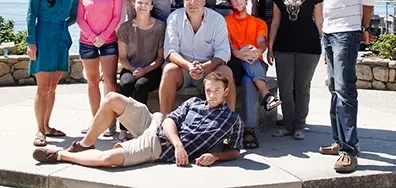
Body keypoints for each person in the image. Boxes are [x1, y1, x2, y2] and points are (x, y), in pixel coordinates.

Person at [33, 72, 244, 169]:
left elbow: (235, 150)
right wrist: (179, 144)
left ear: (226, 92)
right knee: (112, 98)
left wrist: (215, 156)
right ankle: (84, 145)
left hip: (159, 146)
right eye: (208, 90)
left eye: (217, 90)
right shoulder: (194, 103)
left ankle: (59, 156)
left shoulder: (232, 120)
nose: (212, 94)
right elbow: (170, 121)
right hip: (156, 125)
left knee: (108, 160)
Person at [310, 0, 375, 173]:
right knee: (334, 89)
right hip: (330, 33)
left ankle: (350, 150)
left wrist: (364, 27)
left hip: (347, 32)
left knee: (345, 89)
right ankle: (338, 142)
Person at [26, 0, 78, 147]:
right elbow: (31, 16)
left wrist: (64, 24)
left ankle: (48, 126)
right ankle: (39, 130)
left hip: (61, 38)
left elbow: (75, 13)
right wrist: (31, 42)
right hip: (43, 37)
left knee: (53, 87)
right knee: (43, 87)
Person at [268, 0, 323, 141]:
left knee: (302, 86)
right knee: (285, 87)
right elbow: (275, 23)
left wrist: (326, 45)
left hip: (309, 48)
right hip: (283, 47)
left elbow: (320, 22)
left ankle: (300, 124)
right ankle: (288, 125)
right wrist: (270, 47)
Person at [159, 0, 235, 114]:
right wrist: (189, 66)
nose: (192, 3)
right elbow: (170, 51)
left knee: (225, 71)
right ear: (183, 2)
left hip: (208, 68)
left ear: (204, 1)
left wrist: (204, 67)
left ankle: (229, 121)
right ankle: (164, 121)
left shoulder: (217, 19)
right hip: (182, 68)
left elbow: (223, 53)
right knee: (169, 69)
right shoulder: (174, 18)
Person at [224, 0, 280, 150]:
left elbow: (262, 42)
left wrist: (257, 51)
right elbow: (226, 44)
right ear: (229, 2)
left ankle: (248, 129)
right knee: (248, 66)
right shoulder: (225, 21)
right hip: (236, 63)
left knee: (249, 80)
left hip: (255, 62)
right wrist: (238, 53)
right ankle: (266, 94)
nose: (238, 0)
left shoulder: (258, 22)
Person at [76, 0, 123, 136]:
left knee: (111, 83)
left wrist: (103, 36)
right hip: (87, 43)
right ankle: (96, 121)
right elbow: (79, 18)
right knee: (92, 82)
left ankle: (111, 121)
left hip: (108, 42)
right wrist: (92, 36)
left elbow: (116, 16)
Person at [116, 0, 165, 142]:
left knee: (141, 85)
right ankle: (123, 131)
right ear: (133, 4)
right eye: (139, 3)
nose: (143, 6)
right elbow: (122, 57)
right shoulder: (125, 28)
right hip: (131, 67)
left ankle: (139, 130)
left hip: (152, 69)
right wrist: (132, 69)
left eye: (146, 3)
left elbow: (160, 58)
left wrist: (145, 70)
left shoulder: (160, 27)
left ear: (151, 6)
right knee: (126, 84)